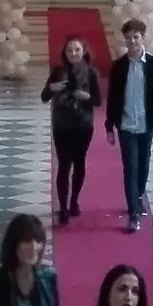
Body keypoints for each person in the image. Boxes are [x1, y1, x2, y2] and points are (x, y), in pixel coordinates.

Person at [106, 18, 153, 234]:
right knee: (130, 167)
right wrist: (109, 126)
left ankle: (138, 195)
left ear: (143, 38)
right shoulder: (118, 67)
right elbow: (113, 97)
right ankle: (133, 213)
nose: (132, 42)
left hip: (147, 123)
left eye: (135, 37)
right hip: (126, 125)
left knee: (143, 165)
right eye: (128, 38)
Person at [42, 35, 101, 226]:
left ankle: (74, 201)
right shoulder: (58, 71)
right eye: (69, 50)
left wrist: (86, 96)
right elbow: (44, 96)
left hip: (83, 125)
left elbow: (98, 101)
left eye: (77, 50)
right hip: (62, 125)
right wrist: (52, 87)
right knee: (63, 165)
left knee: (79, 162)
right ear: (64, 53)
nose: (73, 53)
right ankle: (63, 208)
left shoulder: (91, 73)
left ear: (83, 51)